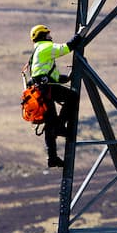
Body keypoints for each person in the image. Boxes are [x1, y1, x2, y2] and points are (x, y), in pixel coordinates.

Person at [28, 24, 80, 168]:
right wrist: (80, 35)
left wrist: (65, 79)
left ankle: (52, 157)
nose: (50, 36)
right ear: (43, 36)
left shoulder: (37, 50)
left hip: (42, 90)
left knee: (49, 123)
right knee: (72, 97)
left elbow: (51, 74)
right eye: (48, 34)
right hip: (46, 89)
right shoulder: (45, 47)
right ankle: (60, 126)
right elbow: (67, 47)